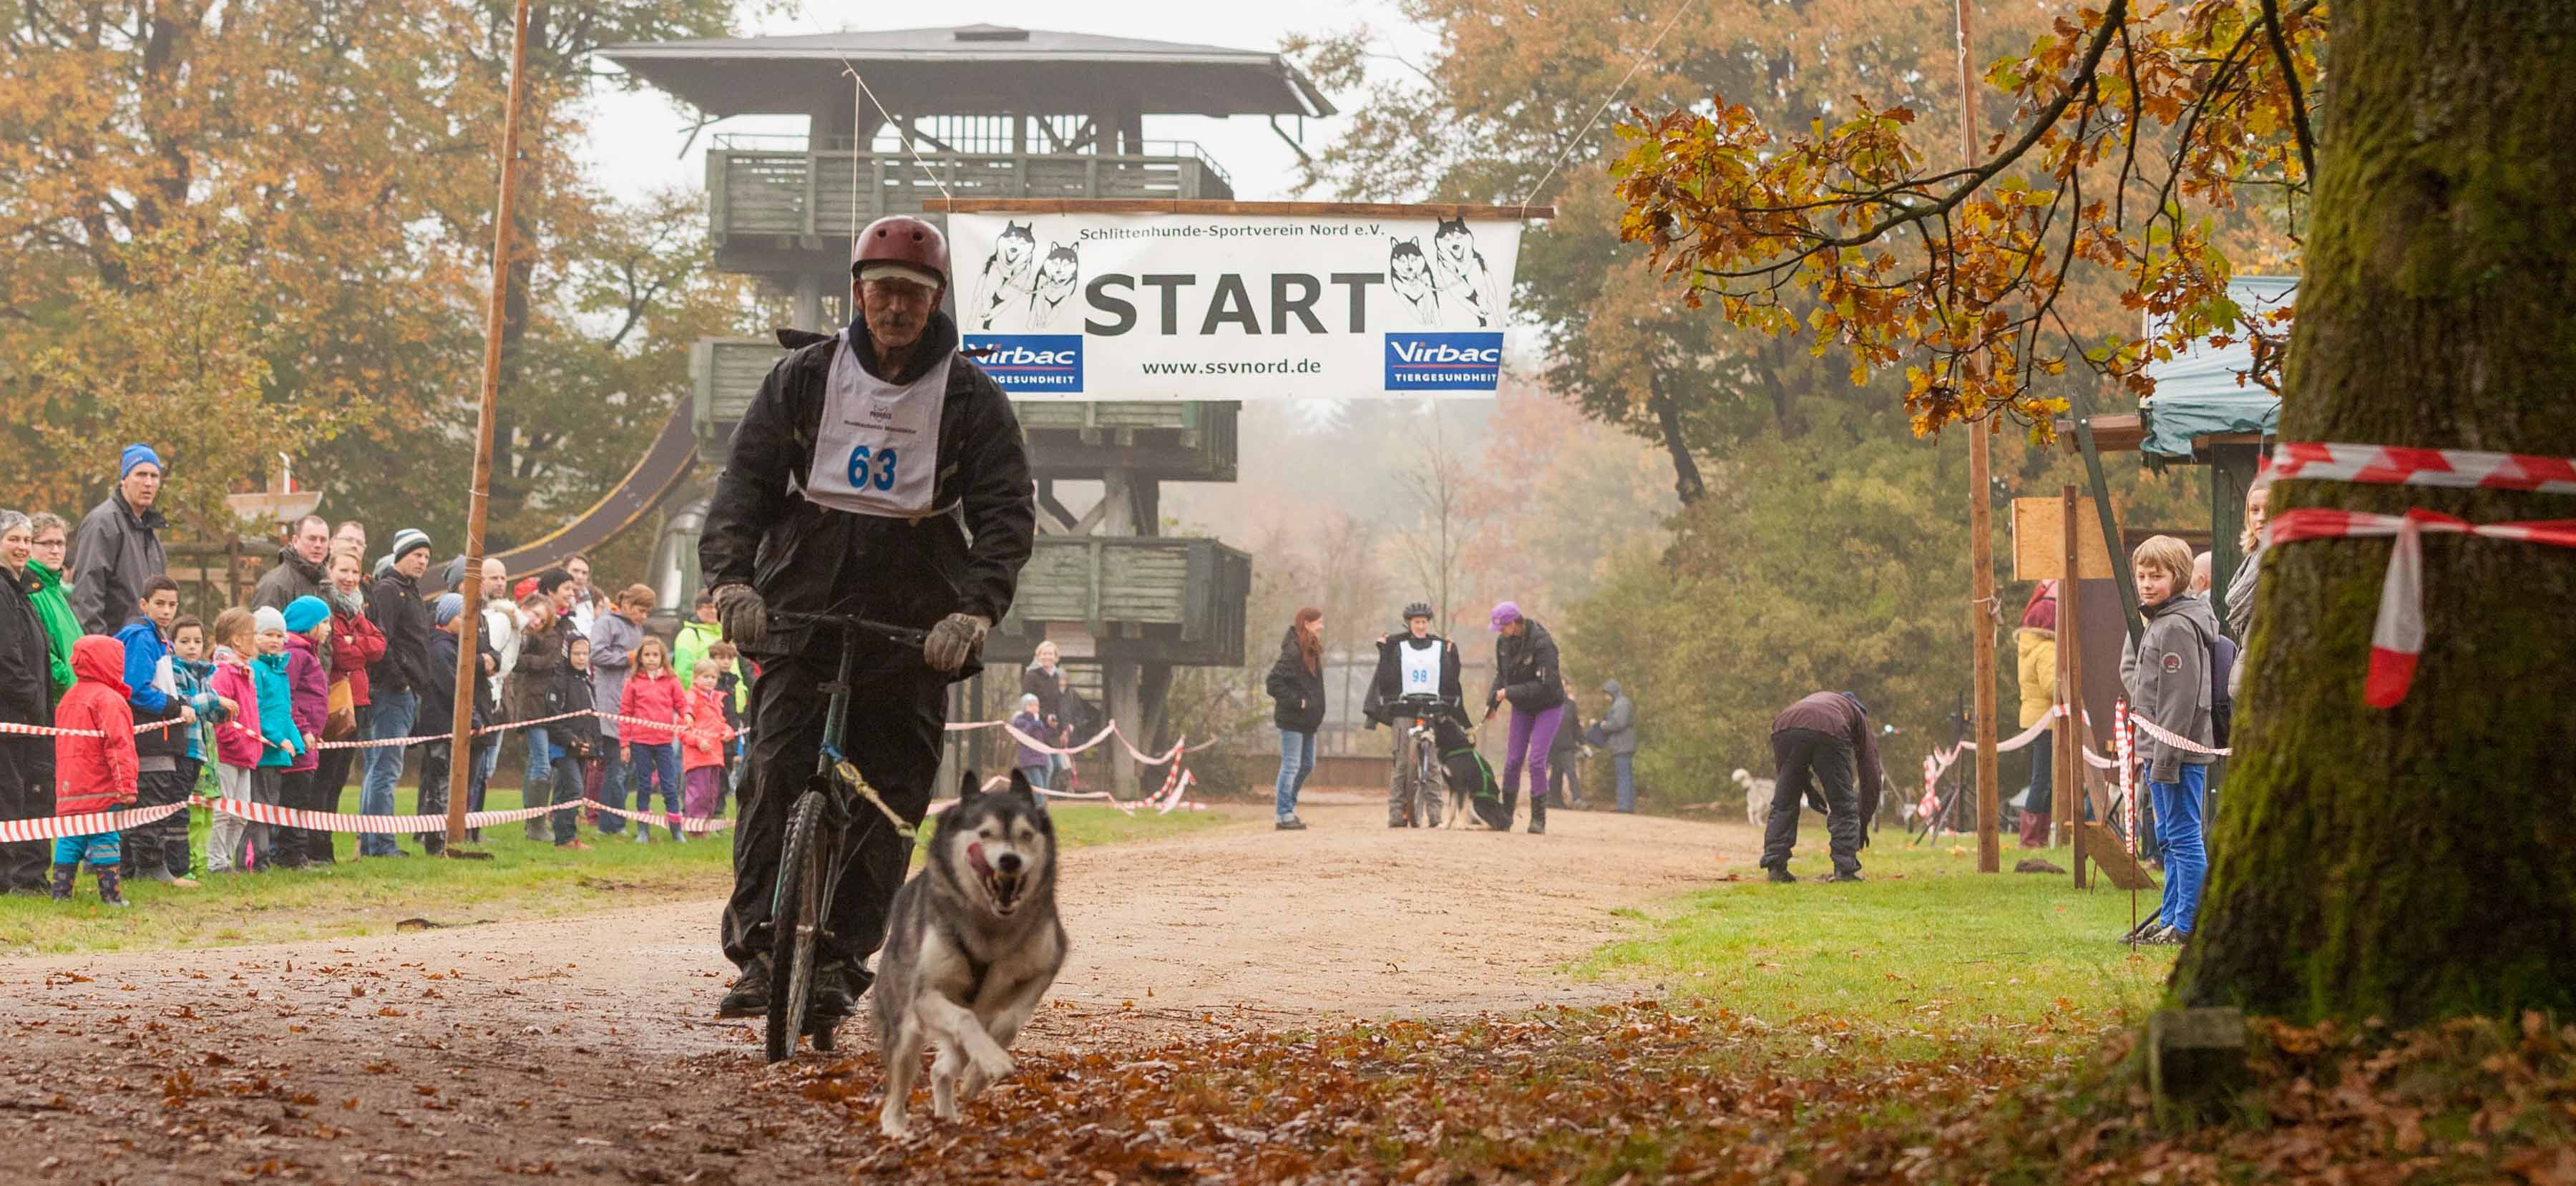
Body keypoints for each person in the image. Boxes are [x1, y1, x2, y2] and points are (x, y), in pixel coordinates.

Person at [699, 212, 1035, 1020]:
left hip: (915, 613)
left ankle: (842, 955)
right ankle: (762, 950)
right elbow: (742, 487)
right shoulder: (804, 377)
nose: (895, 308)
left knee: (892, 790)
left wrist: (974, 612)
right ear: (857, 292)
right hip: (802, 595)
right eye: (882, 291)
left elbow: (1006, 515)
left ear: (936, 301)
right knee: (777, 771)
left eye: (912, 296)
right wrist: (733, 584)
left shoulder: (971, 395)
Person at [2120, 535, 2220, 946]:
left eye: (2156, 576)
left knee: (2184, 838)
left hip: (2176, 755)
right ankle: (2170, 917)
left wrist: (2164, 757)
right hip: (2158, 752)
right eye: (2141, 576)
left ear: (2178, 578)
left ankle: (2187, 924)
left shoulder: (2177, 626)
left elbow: (2180, 702)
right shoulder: (2159, 621)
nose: (2146, 584)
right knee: (2168, 840)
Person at [114, 576, 200, 886]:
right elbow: (135, 689)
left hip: (160, 736)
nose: (166, 610)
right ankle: (151, 868)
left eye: (172, 605)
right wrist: (175, 708)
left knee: (148, 802)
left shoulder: (160, 638)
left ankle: (131, 869)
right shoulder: (142, 638)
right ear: (144, 604)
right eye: (160, 603)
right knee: (153, 802)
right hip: (150, 738)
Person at [301, 550, 383, 865]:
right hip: (332, 701)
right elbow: (339, 654)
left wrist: (354, 643)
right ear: (330, 572)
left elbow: (379, 646)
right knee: (322, 778)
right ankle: (315, 845)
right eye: (343, 571)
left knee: (338, 779)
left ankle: (327, 843)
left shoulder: (358, 610)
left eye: (354, 572)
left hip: (357, 701)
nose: (349, 578)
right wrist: (353, 646)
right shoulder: (326, 609)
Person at [356, 529, 434, 857]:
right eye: (417, 555)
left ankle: (371, 841)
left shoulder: (410, 590)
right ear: (401, 554)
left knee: (380, 768)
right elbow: (381, 640)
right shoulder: (390, 589)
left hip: (406, 690)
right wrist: (399, 679)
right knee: (386, 770)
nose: (422, 562)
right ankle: (381, 844)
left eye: (427, 557)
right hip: (392, 692)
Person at [1361, 602, 1470, 828]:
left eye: (1424, 622)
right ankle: (1396, 813)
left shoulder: (1439, 647)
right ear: (1409, 624)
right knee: (1402, 764)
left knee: (1431, 766)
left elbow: (1451, 676)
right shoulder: (1398, 646)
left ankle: (1435, 814)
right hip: (1404, 708)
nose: (1420, 626)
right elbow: (1387, 675)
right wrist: (1383, 650)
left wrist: (1452, 654)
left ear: (1428, 623)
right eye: (1416, 622)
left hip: (1431, 708)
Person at [49, 635, 140, 906]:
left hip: (68, 786)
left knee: (70, 837)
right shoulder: (108, 699)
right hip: (100, 785)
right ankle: (111, 896)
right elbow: (118, 744)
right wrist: (126, 785)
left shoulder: (67, 699)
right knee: (105, 836)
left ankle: (61, 895)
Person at [1760, 691, 1883, 883]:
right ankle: (1845, 870)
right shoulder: (1858, 716)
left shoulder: (1823, 700)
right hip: (1831, 729)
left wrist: (1808, 790)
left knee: (1784, 801)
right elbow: (1871, 774)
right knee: (1843, 804)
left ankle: (1775, 867)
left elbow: (1789, 773)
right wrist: (1863, 821)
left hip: (1785, 725)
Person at [0, 511, 61, 893]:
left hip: (32, 715)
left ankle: (29, 877)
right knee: (9, 794)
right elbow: (7, 658)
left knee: (34, 793)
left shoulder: (24, 590)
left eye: (26, 540)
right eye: (14, 540)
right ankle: (8, 880)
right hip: (12, 717)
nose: (22, 547)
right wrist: (34, 701)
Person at [416, 593, 498, 857]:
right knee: (440, 785)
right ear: (446, 618)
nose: (466, 622)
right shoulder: (442, 649)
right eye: (461, 616)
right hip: (441, 726)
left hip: (449, 725)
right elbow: (454, 689)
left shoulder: (455, 646)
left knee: (448, 785)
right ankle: (436, 841)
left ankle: (445, 839)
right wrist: (474, 719)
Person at [205, 608, 276, 875]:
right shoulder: (223, 673)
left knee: (241, 812)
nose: (256, 640)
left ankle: (226, 858)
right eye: (252, 634)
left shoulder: (245, 672)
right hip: (228, 753)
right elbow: (220, 717)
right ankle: (217, 862)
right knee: (223, 811)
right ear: (236, 640)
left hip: (246, 754)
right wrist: (234, 741)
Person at [69, 443, 169, 634]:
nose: (148, 482)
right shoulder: (103, 523)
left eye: (154, 476)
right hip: (115, 648)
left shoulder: (149, 532)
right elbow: (87, 595)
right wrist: (101, 650)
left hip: (145, 648)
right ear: (124, 479)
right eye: (140, 474)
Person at [1484, 602, 1564, 835]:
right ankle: (1506, 815)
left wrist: (1510, 693)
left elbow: (1546, 686)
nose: (1499, 632)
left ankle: (1538, 818)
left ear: (1513, 623)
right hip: (1523, 706)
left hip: (1548, 706)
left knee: (1537, 760)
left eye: (1502, 627)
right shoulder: (1503, 643)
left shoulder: (1542, 643)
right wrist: (1493, 703)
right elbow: (1502, 676)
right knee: (1512, 761)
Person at [584, 584, 648, 834]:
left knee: (625, 767)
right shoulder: (605, 623)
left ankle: (615, 820)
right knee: (616, 766)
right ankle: (610, 824)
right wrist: (627, 658)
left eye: (647, 613)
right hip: (610, 703)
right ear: (629, 604)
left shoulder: (637, 627)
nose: (644, 617)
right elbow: (596, 654)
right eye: (641, 610)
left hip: (633, 706)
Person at [243, 607, 303, 868]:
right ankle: (257, 859)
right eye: (268, 634)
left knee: (270, 805)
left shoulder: (280, 672)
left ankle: (262, 856)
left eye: (280, 635)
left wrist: (297, 741)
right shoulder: (256, 669)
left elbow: (284, 712)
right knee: (260, 807)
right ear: (255, 637)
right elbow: (257, 711)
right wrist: (279, 739)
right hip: (263, 750)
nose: (275, 640)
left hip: (278, 751)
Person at [509, 591, 570, 833]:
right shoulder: (521, 635)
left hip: (547, 708)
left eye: (542, 619)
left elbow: (547, 662)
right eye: (535, 614)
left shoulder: (549, 637)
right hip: (532, 709)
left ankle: (534, 823)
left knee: (541, 763)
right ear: (525, 607)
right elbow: (517, 662)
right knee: (542, 765)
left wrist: (534, 663)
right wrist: (539, 663)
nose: (536, 621)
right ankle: (535, 825)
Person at [619, 635, 687, 843]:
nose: (651, 659)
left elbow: (682, 703)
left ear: (662, 657)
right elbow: (625, 713)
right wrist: (624, 743)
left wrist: (689, 715)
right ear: (640, 657)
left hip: (665, 741)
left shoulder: (672, 681)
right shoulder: (632, 682)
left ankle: (676, 830)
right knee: (644, 785)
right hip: (640, 742)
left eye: (655, 655)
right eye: (647, 655)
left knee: (669, 785)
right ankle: (643, 830)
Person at [1263, 607, 1325, 830]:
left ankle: (1288, 806)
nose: (1322, 627)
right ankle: (1283, 814)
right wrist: (1296, 701)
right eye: (1319, 623)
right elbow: (1273, 683)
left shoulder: (1311, 649)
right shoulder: (1293, 651)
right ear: (1307, 624)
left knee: (1307, 764)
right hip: (1293, 718)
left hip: (1308, 720)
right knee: (1291, 765)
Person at [2014, 579, 2060, 848]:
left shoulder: (2029, 645)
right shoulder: (2046, 649)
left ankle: (2036, 837)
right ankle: (2032, 837)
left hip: (2034, 718)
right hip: (2046, 721)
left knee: (2042, 778)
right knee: (2042, 779)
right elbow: (2053, 685)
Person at [545, 633, 599, 850]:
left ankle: (562, 839)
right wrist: (572, 741)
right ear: (567, 653)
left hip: (583, 748)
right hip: (562, 749)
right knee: (574, 791)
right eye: (577, 653)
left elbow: (592, 718)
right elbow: (554, 719)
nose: (581, 658)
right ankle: (566, 838)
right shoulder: (558, 681)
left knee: (563, 792)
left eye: (585, 653)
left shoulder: (587, 682)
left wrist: (595, 749)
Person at [26, 513, 79, 701]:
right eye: (47, 543)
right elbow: (34, 649)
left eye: (60, 543)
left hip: (73, 698)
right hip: (56, 699)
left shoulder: (57, 590)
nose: (55, 550)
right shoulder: (28, 588)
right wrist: (64, 680)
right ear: (29, 545)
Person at [680, 659, 731, 828]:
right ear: (695, 678)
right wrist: (698, 741)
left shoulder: (716, 699)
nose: (710, 680)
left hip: (715, 755)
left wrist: (727, 732)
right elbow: (683, 729)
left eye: (714, 677)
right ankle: (695, 827)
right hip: (697, 757)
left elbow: (720, 723)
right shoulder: (690, 699)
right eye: (706, 676)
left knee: (712, 793)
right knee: (698, 793)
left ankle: (706, 825)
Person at [250, 515, 331, 612]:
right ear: (295, 541)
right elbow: (265, 625)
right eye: (312, 539)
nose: (318, 545)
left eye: (323, 540)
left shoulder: (327, 582)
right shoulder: (275, 584)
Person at [1021, 640, 1072, 790]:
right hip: (1037, 727)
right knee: (1047, 766)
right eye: (1044, 654)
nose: (1047, 657)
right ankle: (1040, 800)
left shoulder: (1058, 677)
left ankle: (1039, 792)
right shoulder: (1031, 676)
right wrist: (1045, 717)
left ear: (1056, 657)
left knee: (1057, 765)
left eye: (1050, 654)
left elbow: (1061, 704)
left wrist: (1064, 729)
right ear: (1038, 656)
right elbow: (1028, 701)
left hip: (1053, 729)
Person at [1598, 678, 1639, 813]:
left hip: (1622, 745)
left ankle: (1624, 807)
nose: (1606, 697)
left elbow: (1618, 723)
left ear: (1612, 692)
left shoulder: (1621, 704)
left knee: (1623, 776)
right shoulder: (1621, 703)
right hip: (1622, 745)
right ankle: (1627, 805)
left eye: (1607, 694)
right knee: (1625, 775)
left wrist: (1604, 725)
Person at [1547, 677, 1587, 811]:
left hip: (1567, 746)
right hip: (1552, 746)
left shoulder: (1571, 705)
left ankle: (1577, 799)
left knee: (1571, 772)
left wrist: (1582, 742)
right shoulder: (1548, 703)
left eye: (1563, 685)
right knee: (1555, 774)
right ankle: (1555, 801)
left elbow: (1575, 726)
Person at [673, 589, 723, 685]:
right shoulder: (689, 634)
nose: (713, 611)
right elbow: (683, 673)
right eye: (709, 607)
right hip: (702, 697)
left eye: (717, 607)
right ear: (697, 609)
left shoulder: (725, 634)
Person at [562, 555, 597, 640]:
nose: (580, 577)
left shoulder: (587, 598)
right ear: (564, 571)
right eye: (575, 571)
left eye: (584, 573)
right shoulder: (553, 597)